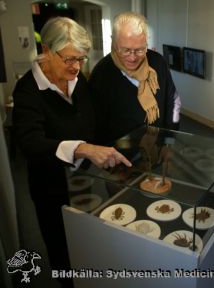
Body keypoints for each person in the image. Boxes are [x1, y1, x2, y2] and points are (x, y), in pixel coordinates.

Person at [12, 17, 131, 287]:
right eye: (69, 59)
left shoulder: (78, 81)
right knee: (62, 251)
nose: (77, 67)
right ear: (46, 51)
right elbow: (30, 142)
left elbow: (94, 122)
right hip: (51, 188)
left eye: (81, 59)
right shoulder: (28, 90)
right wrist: (82, 148)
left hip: (85, 181)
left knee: (87, 241)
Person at [89, 12, 180, 145]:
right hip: (120, 153)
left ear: (146, 41)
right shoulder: (102, 73)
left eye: (140, 50)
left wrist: (170, 139)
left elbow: (172, 101)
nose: (133, 58)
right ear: (114, 42)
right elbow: (96, 124)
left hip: (157, 146)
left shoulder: (158, 62)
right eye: (126, 50)